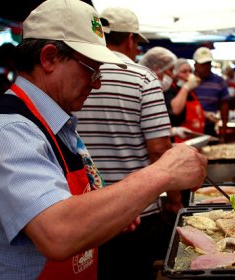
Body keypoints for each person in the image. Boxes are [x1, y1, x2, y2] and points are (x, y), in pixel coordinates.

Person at [0, 1, 207, 279]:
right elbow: (58, 233)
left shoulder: (57, 122)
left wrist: (108, 211)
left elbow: (67, 204)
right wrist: (163, 172)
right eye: (92, 69)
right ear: (49, 58)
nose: (97, 82)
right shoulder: (10, 130)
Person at [74, 7, 182, 280]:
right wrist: (175, 200)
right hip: (137, 212)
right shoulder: (142, 78)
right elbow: (159, 150)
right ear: (131, 39)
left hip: (81, 211)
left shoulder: (75, 74)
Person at [164, 58, 205, 143]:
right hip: (180, 141)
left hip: (194, 139)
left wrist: (206, 114)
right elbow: (175, 110)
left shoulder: (191, 91)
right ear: (175, 74)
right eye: (184, 72)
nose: (189, 75)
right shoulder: (169, 90)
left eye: (190, 71)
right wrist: (186, 87)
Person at [193, 47, 229, 139]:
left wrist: (223, 130)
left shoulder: (219, 81)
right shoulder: (188, 80)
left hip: (209, 127)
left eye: (208, 64)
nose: (206, 67)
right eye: (203, 64)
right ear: (195, 65)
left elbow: (224, 105)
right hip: (190, 128)